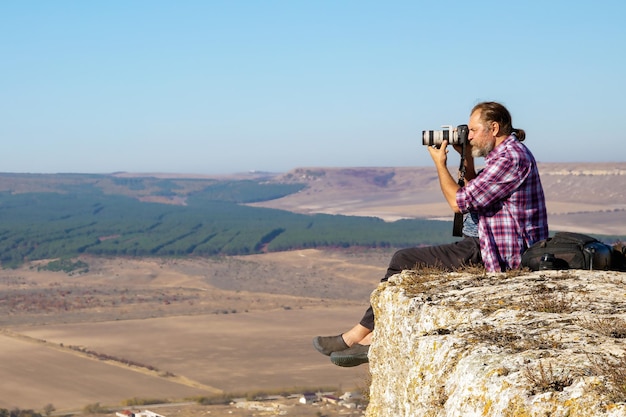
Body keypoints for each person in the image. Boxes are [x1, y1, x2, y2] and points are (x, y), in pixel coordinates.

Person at [313, 101, 548, 367]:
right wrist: (467, 158)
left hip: (495, 252)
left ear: (493, 128)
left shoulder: (510, 158)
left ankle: (362, 337)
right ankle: (362, 335)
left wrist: (440, 164)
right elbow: (477, 192)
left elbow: (459, 203)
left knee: (403, 259)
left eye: (473, 130)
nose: (468, 136)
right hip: (488, 243)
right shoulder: (507, 154)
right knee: (407, 260)